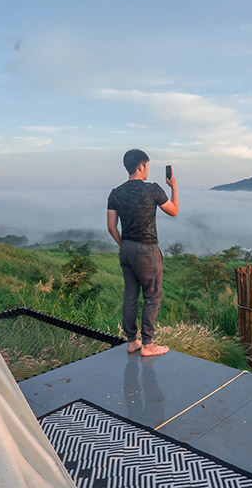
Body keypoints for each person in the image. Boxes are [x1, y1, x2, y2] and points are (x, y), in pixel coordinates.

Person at [107, 149, 178, 356]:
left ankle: (132, 341)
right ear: (141, 166)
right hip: (147, 250)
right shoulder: (153, 189)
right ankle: (148, 344)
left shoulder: (115, 193)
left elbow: (111, 227)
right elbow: (174, 210)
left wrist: (124, 244)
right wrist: (173, 187)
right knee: (152, 295)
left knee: (130, 295)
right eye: (147, 166)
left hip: (126, 249)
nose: (147, 170)